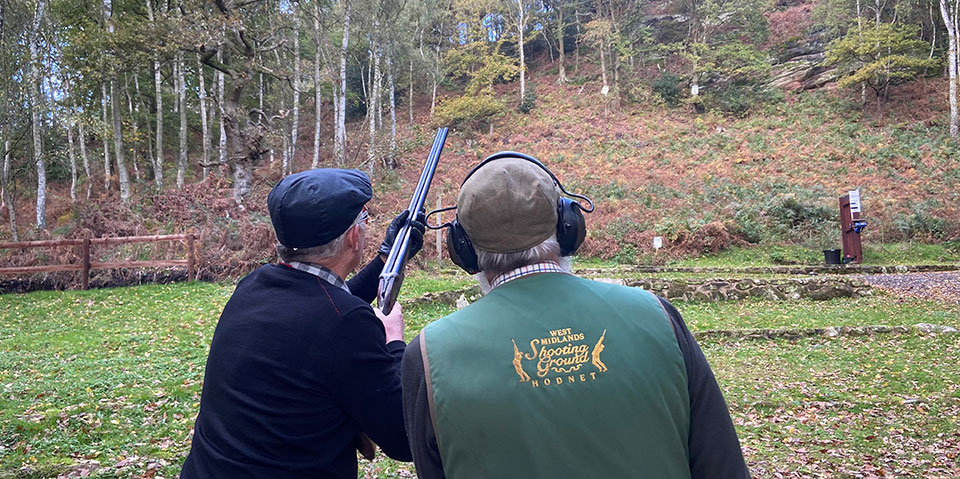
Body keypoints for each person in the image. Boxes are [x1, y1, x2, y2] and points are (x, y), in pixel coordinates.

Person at [401, 153, 750, 479]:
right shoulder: (658, 315)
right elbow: (723, 464)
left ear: (461, 246)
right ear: (569, 225)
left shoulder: (429, 355)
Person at [181, 168, 424, 479]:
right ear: (353, 237)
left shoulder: (253, 286)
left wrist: (388, 258)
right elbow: (403, 438)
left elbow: (321, 304)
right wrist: (394, 342)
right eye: (364, 221)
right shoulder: (345, 323)